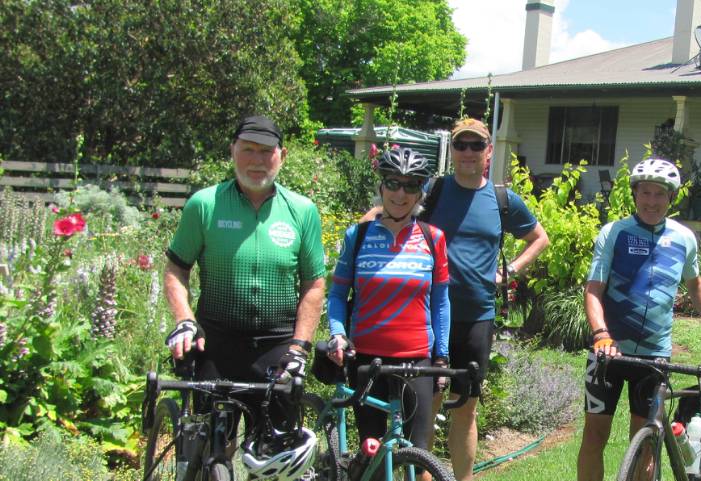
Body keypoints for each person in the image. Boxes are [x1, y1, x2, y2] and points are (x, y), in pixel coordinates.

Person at [365, 118, 549, 481]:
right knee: (424, 410)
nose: (467, 152)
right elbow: (387, 211)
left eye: (475, 145)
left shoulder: (502, 199)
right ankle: (424, 476)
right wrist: (362, 235)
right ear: (452, 150)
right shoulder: (433, 190)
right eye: (461, 145)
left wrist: (508, 271)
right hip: (427, 317)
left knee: (466, 411)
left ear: (488, 151)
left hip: (476, 318)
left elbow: (539, 238)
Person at [162, 115, 326, 459]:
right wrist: (184, 320)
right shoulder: (204, 204)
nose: (256, 160)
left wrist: (300, 347)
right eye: (248, 150)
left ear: (281, 155)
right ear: (232, 151)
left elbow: (313, 284)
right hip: (216, 345)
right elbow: (177, 268)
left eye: (266, 152)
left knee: (273, 461)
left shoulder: (302, 210)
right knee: (207, 453)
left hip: (276, 349)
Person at [576, 157, 701, 481]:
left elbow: (695, 283)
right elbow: (593, 290)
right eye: (645, 193)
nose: (652, 201)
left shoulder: (683, 238)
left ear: (671, 198)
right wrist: (601, 334)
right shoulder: (614, 233)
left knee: (648, 442)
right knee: (594, 436)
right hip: (609, 351)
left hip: (654, 355)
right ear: (635, 195)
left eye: (659, 194)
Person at [326, 147, 450, 466]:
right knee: (373, 456)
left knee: (417, 453)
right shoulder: (359, 235)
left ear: (420, 192)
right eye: (393, 183)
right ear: (381, 186)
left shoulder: (433, 238)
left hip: (417, 359)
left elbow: (440, 302)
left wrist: (442, 355)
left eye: (411, 186)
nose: (400, 193)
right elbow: (338, 295)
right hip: (367, 359)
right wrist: (338, 335)